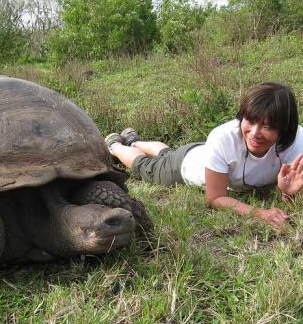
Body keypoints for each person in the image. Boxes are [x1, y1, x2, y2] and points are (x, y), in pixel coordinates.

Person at [105, 82, 303, 230]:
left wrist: (287, 193)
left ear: (285, 128)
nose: (254, 133)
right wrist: (261, 214)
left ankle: (133, 141)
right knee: (147, 166)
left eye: (267, 126)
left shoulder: (297, 141)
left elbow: (290, 188)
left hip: (205, 153)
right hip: (186, 166)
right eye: (250, 120)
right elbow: (215, 197)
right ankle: (116, 145)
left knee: (167, 153)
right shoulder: (224, 138)